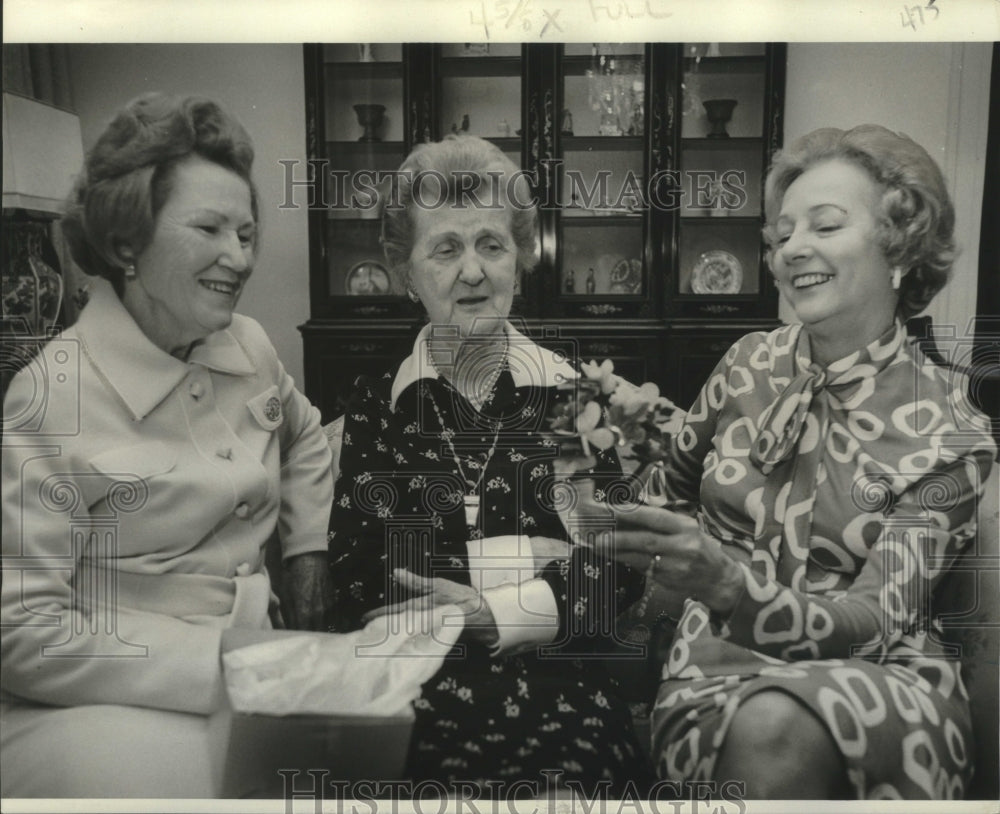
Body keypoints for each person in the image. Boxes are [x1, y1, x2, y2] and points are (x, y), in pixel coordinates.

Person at [602, 125, 996, 799]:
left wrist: (729, 585)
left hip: (880, 678)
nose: (791, 251)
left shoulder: (954, 432)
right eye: (782, 235)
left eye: (825, 226)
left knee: (775, 725)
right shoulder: (745, 363)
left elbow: (877, 623)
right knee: (763, 723)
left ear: (900, 248)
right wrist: (608, 475)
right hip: (716, 667)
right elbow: (663, 492)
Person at [0, 93, 334, 797]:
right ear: (126, 243)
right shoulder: (49, 394)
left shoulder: (248, 343)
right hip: (108, 697)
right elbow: (25, 634)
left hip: (255, 666)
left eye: (246, 233)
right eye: (210, 228)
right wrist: (220, 657)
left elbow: (304, 438)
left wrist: (307, 552)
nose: (238, 257)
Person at [327, 134, 651, 795]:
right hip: (412, 678)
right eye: (445, 249)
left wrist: (496, 610)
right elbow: (364, 582)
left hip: (561, 677)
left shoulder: (574, 399)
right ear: (405, 269)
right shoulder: (377, 408)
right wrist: (539, 556)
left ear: (521, 259)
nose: (472, 271)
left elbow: (621, 574)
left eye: (491, 245)